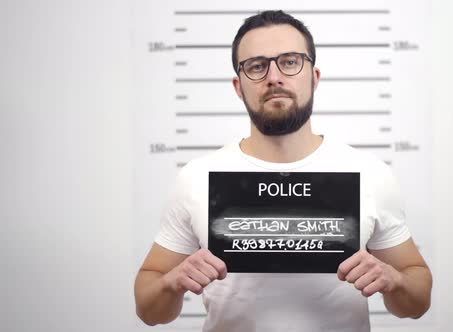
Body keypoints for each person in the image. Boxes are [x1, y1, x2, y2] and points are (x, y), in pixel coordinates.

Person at [134, 10, 432, 331]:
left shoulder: (370, 174)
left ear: (314, 77)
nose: (274, 77)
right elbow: (149, 310)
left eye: (290, 61)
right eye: (257, 66)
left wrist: (394, 280)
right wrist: (172, 282)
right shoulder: (197, 178)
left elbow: (417, 301)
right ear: (238, 86)